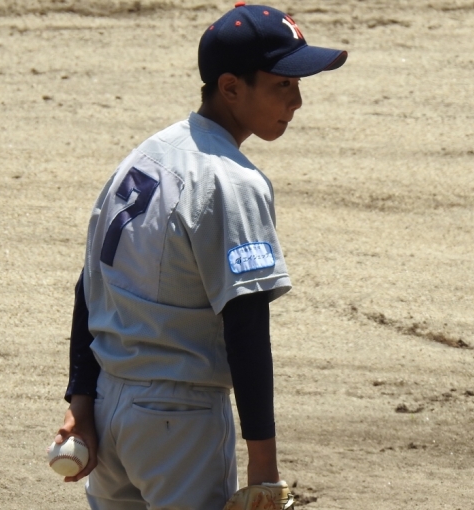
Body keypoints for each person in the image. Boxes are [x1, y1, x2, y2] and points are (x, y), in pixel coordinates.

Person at [51, 3, 347, 509]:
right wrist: (264, 467)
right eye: (282, 84)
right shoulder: (231, 181)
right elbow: (246, 325)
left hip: (107, 406)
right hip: (178, 424)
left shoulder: (146, 155)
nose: (297, 100)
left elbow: (91, 283)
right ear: (231, 87)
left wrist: (81, 401)